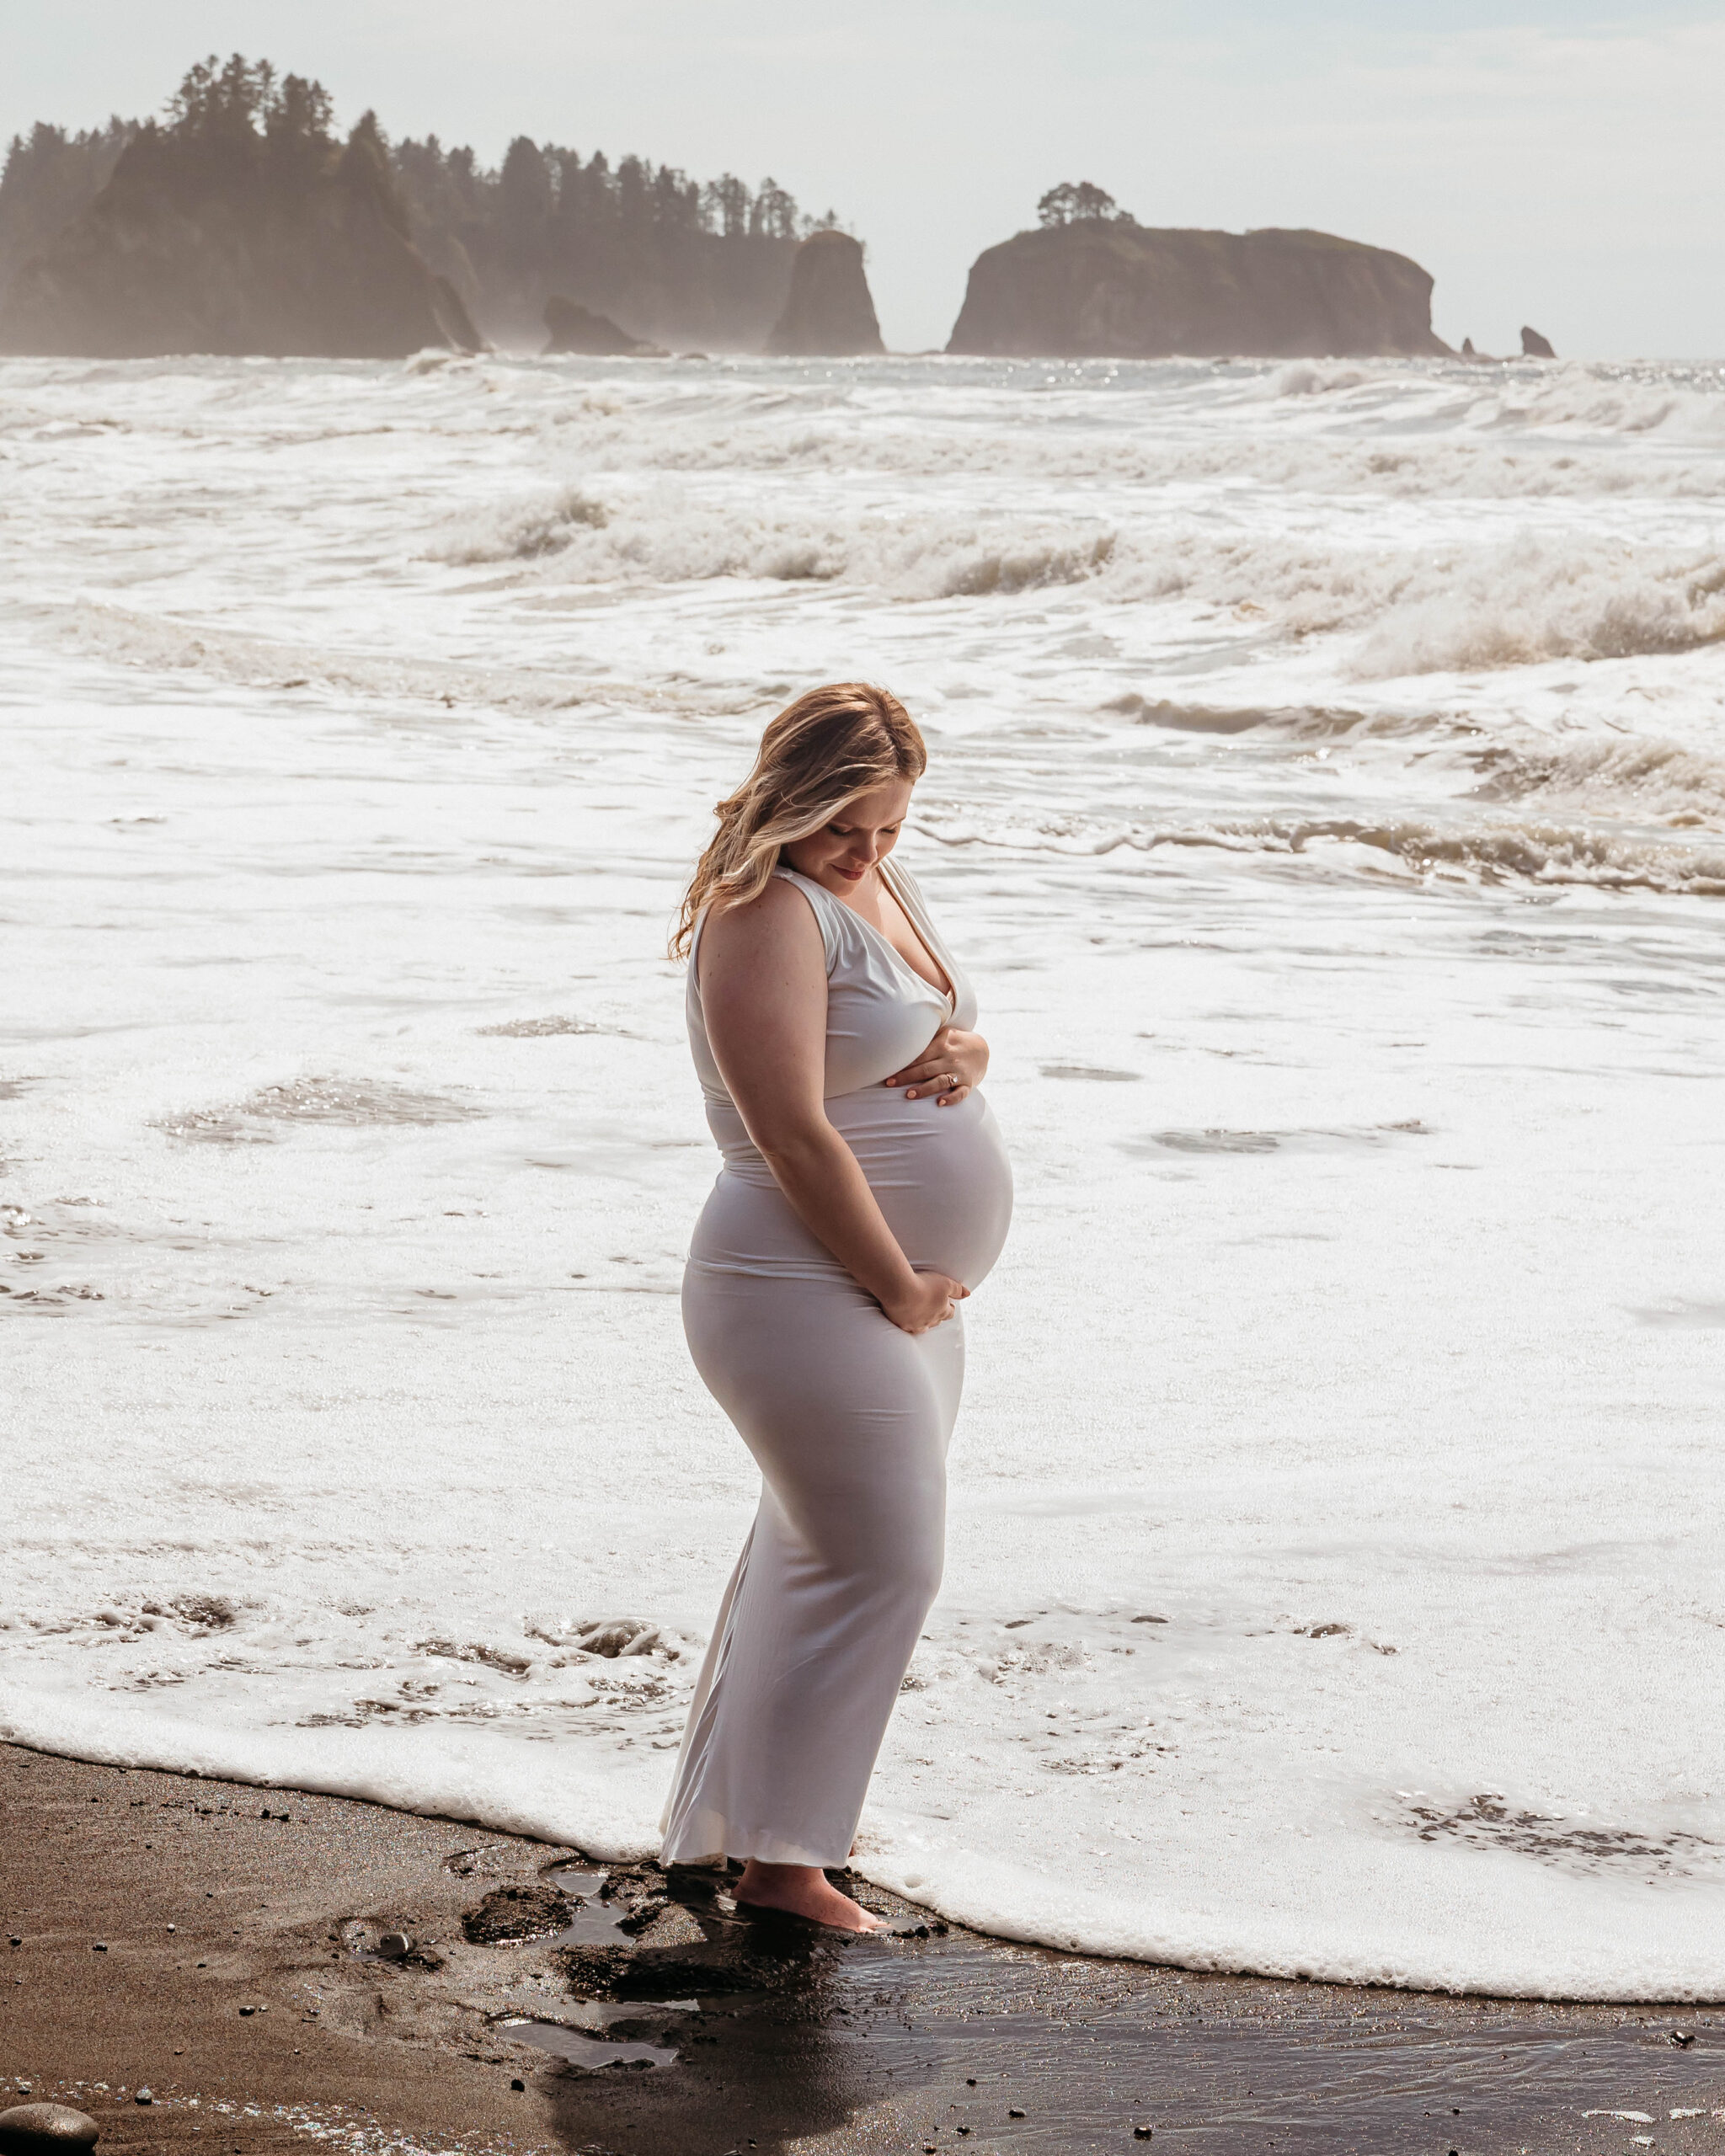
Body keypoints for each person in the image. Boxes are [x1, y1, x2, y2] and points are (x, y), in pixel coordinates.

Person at [659, 682, 1013, 1932]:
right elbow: (791, 1133)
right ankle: (784, 1868)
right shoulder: (764, 909)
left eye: (890, 827)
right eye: (843, 827)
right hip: (796, 1278)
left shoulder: (873, 884)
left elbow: (928, 1026)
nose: (865, 851)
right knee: (882, 1561)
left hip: (885, 1297)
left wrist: (971, 1055)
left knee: (810, 1553)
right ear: (787, 800)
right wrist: (896, 1278)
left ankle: (731, 1829)